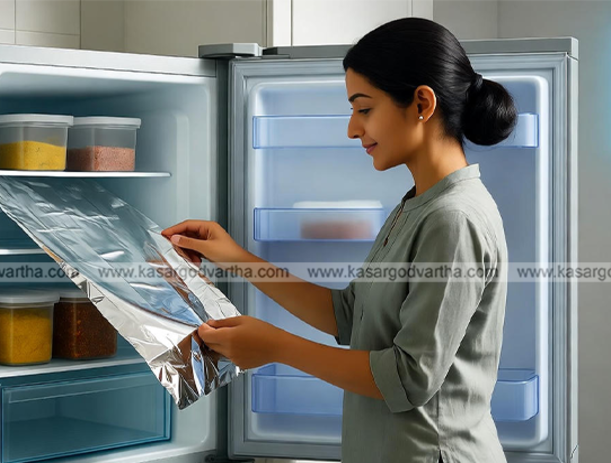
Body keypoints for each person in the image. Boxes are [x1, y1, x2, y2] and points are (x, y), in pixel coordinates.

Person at [161, 17, 515, 463]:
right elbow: (349, 316)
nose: (352, 128)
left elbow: (409, 377)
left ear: (422, 102)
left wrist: (276, 347)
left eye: (364, 108)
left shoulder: (453, 217)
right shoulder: (417, 205)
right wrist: (235, 258)